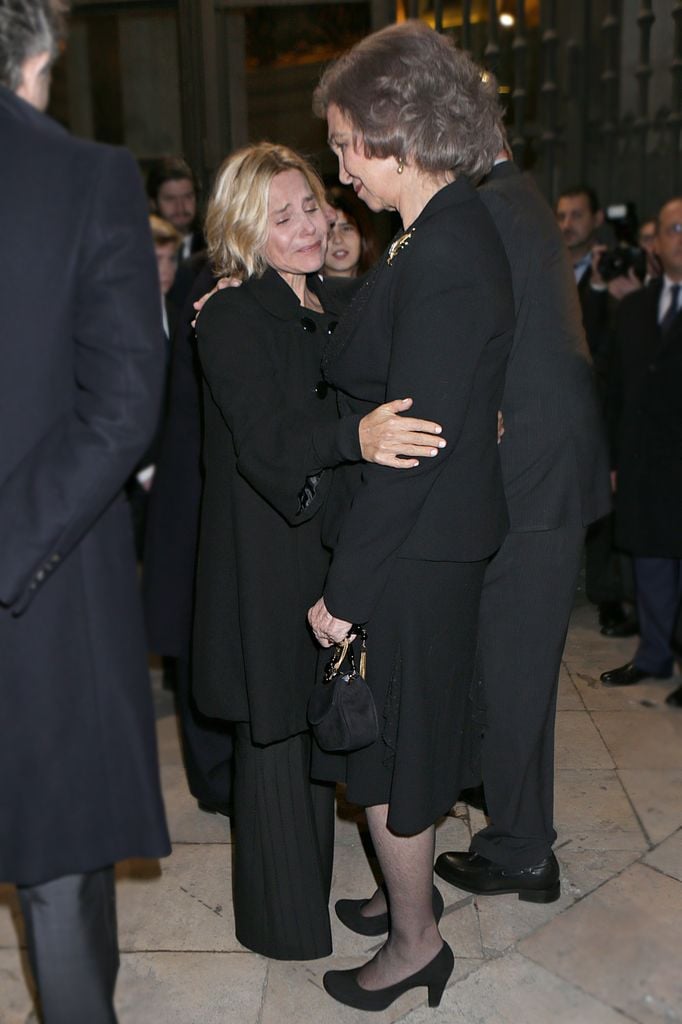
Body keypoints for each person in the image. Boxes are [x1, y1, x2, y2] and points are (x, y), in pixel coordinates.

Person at [193, 141, 448, 961]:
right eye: (282, 217)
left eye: (311, 207)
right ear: (244, 229)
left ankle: (373, 897)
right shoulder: (230, 315)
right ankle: (283, 932)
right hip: (267, 559)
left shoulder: (329, 297)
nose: (307, 226)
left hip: (327, 551)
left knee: (324, 730)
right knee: (274, 745)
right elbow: (266, 442)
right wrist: (355, 436)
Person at [308, 21, 514, 1011]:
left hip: (417, 551)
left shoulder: (443, 250)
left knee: (393, 752)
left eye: (347, 142)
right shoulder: (439, 231)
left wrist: (344, 595)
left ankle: (414, 940)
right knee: (403, 740)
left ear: (398, 129)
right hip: (435, 540)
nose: (339, 166)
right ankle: (408, 895)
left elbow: (414, 450)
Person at [0, 3, 171, 1021]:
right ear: (44, 54)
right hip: (43, 581)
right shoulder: (88, 178)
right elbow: (120, 408)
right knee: (60, 869)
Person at [433, 159, 611, 899]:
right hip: (549, 464)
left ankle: (520, 850)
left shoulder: (495, 208)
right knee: (523, 672)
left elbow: (471, 335)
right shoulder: (521, 194)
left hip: (531, 472)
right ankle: (520, 828)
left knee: (512, 672)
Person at [600, 197, 682, 706]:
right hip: (644, 464)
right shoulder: (632, 307)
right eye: (673, 228)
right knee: (650, 563)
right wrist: (610, 459)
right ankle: (654, 654)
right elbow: (611, 389)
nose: (679, 237)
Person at [556, 184, 635, 638]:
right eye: (562, 215)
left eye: (577, 215)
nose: (568, 224)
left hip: (603, 401)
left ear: (597, 217)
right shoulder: (551, 266)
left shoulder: (610, 269)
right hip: (560, 401)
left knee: (603, 501)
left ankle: (608, 598)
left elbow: (603, 341)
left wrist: (605, 287)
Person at [323, 184, 379, 277]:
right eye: (328, 232)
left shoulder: (387, 287)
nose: (337, 240)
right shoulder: (299, 291)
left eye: (346, 228)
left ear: (362, 235)